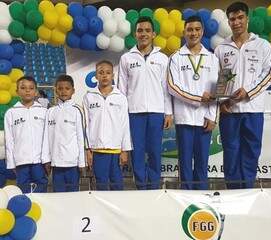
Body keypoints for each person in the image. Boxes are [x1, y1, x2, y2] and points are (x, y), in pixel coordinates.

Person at [214, 1, 271, 189]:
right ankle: (233, 193)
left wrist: (248, 92)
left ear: (247, 19)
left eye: (240, 17)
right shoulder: (221, 48)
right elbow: (220, 77)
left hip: (253, 109)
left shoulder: (262, 45)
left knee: (250, 153)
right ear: (228, 22)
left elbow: (270, 72)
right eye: (232, 19)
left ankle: (247, 191)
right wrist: (221, 101)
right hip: (229, 112)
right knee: (231, 154)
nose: (236, 22)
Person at [118, 16, 173, 189]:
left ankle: (154, 186)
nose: (144, 34)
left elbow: (166, 88)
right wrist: (122, 115)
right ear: (135, 34)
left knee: (155, 151)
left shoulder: (163, 58)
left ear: (154, 34)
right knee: (138, 153)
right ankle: (141, 186)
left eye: (147, 31)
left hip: (156, 112)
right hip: (134, 113)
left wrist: (168, 112)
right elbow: (121, 90)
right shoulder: (126, 58)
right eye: (140, 31)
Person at [168, 15, 219, 190]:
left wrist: (212, 116)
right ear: (184, 32)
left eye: (197, 29)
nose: (193, 33)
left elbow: (216, 91)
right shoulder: (176, 57)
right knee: (184, 163)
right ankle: (186, 199)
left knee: (202, 163)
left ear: (202, 32)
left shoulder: (212, 58)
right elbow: (173, 88)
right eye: (190, 29)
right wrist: (199, 98)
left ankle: (202, 198)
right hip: (184, 119)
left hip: (204, 119)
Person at [84, 60, 132, 190]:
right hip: (97, 149)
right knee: (101, 184)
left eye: (108, 73)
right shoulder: (89, 97)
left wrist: (125, 150)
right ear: (96, 76)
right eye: (101, 72)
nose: (104, 75)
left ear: (113, 75)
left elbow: (125, 124)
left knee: (117, 183)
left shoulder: (120, 97)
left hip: (116, 149)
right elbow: (86, 124)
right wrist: (87, 149)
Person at [41, 75, 85, 192]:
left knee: (73, 195)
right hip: (56, 163)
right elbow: (46, 137)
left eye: (67, 88)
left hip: (73, 163)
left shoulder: (77, 110)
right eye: (60, 88)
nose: (63, 91)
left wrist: (81, 162)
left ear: (73, 90)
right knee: (58, 196)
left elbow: (81, 138)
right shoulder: (50, 111)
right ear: (56, 90)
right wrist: (46, 159)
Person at [4, 76, 48, 193]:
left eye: (31, 88)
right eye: (23, 88)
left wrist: (47, 159)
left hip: (40, 161)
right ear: (17, 91)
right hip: (21, 161)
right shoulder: (11, 113)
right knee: (23, 193)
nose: (27, 90)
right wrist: (11, 163)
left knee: (41, 191)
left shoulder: (44, 112)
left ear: (36, 92)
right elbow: (9, 140)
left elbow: (48, 138)